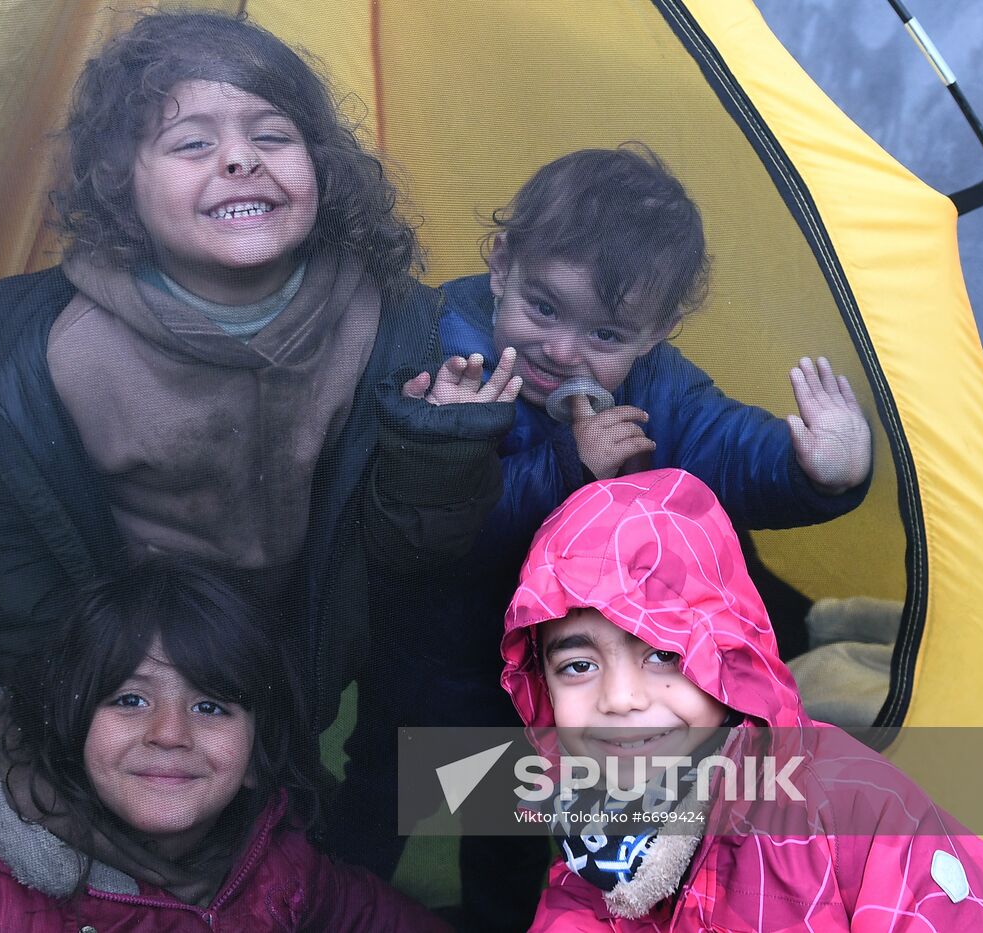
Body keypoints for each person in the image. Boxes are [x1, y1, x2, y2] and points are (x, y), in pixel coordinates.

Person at [0, 10, 516, 720]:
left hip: (299, 659)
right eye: (192, 143)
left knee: (304, 812)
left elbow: (407, 559)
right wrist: (84, 678)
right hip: (112, 665)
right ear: (119, 185)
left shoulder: (391, 330)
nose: (239, 159)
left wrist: (435, 453)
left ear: (320, 165)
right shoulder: (49, 352)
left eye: (273, 136)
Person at [330, 145, 873, 927]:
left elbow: (724, 445)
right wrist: (564, 464)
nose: (563, 351)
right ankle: (325, 907)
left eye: (606, 335)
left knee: (517, 822)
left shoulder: (656, 387)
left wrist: (816, 471)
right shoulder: (446, 346)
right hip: (428, 663)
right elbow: (441, 527)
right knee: (388, 794)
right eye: (544, 309)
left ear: (657, 333)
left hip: (550, 690)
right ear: (501, 264)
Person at [499, 468, 983, 931]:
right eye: (578, 666)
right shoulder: (588, 855)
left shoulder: (859, 818)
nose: (619, 699)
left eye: (663, 653)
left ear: (728, 655)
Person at [0, 563, 452, 931]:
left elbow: (367, 914)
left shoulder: (271, 856)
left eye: (211, 706)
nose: (170, 732)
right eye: (130, 701)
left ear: (253, 759)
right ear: (71, 729)